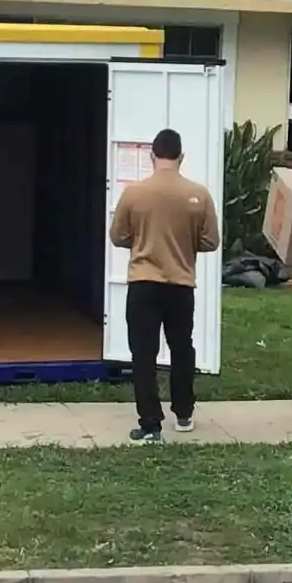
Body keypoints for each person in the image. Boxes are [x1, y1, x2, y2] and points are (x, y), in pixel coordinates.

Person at [108, 127, 221, 443]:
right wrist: (184, 242)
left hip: (143, 281)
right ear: (181, 156)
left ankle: (150, 422)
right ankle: (183, 412)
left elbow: (117, 236)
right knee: (182, 347)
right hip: (180, 283)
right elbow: (211, 241)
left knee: (143, 352)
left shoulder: (134, 193)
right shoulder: (199, 194)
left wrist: (142, 240)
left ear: (152, 155)